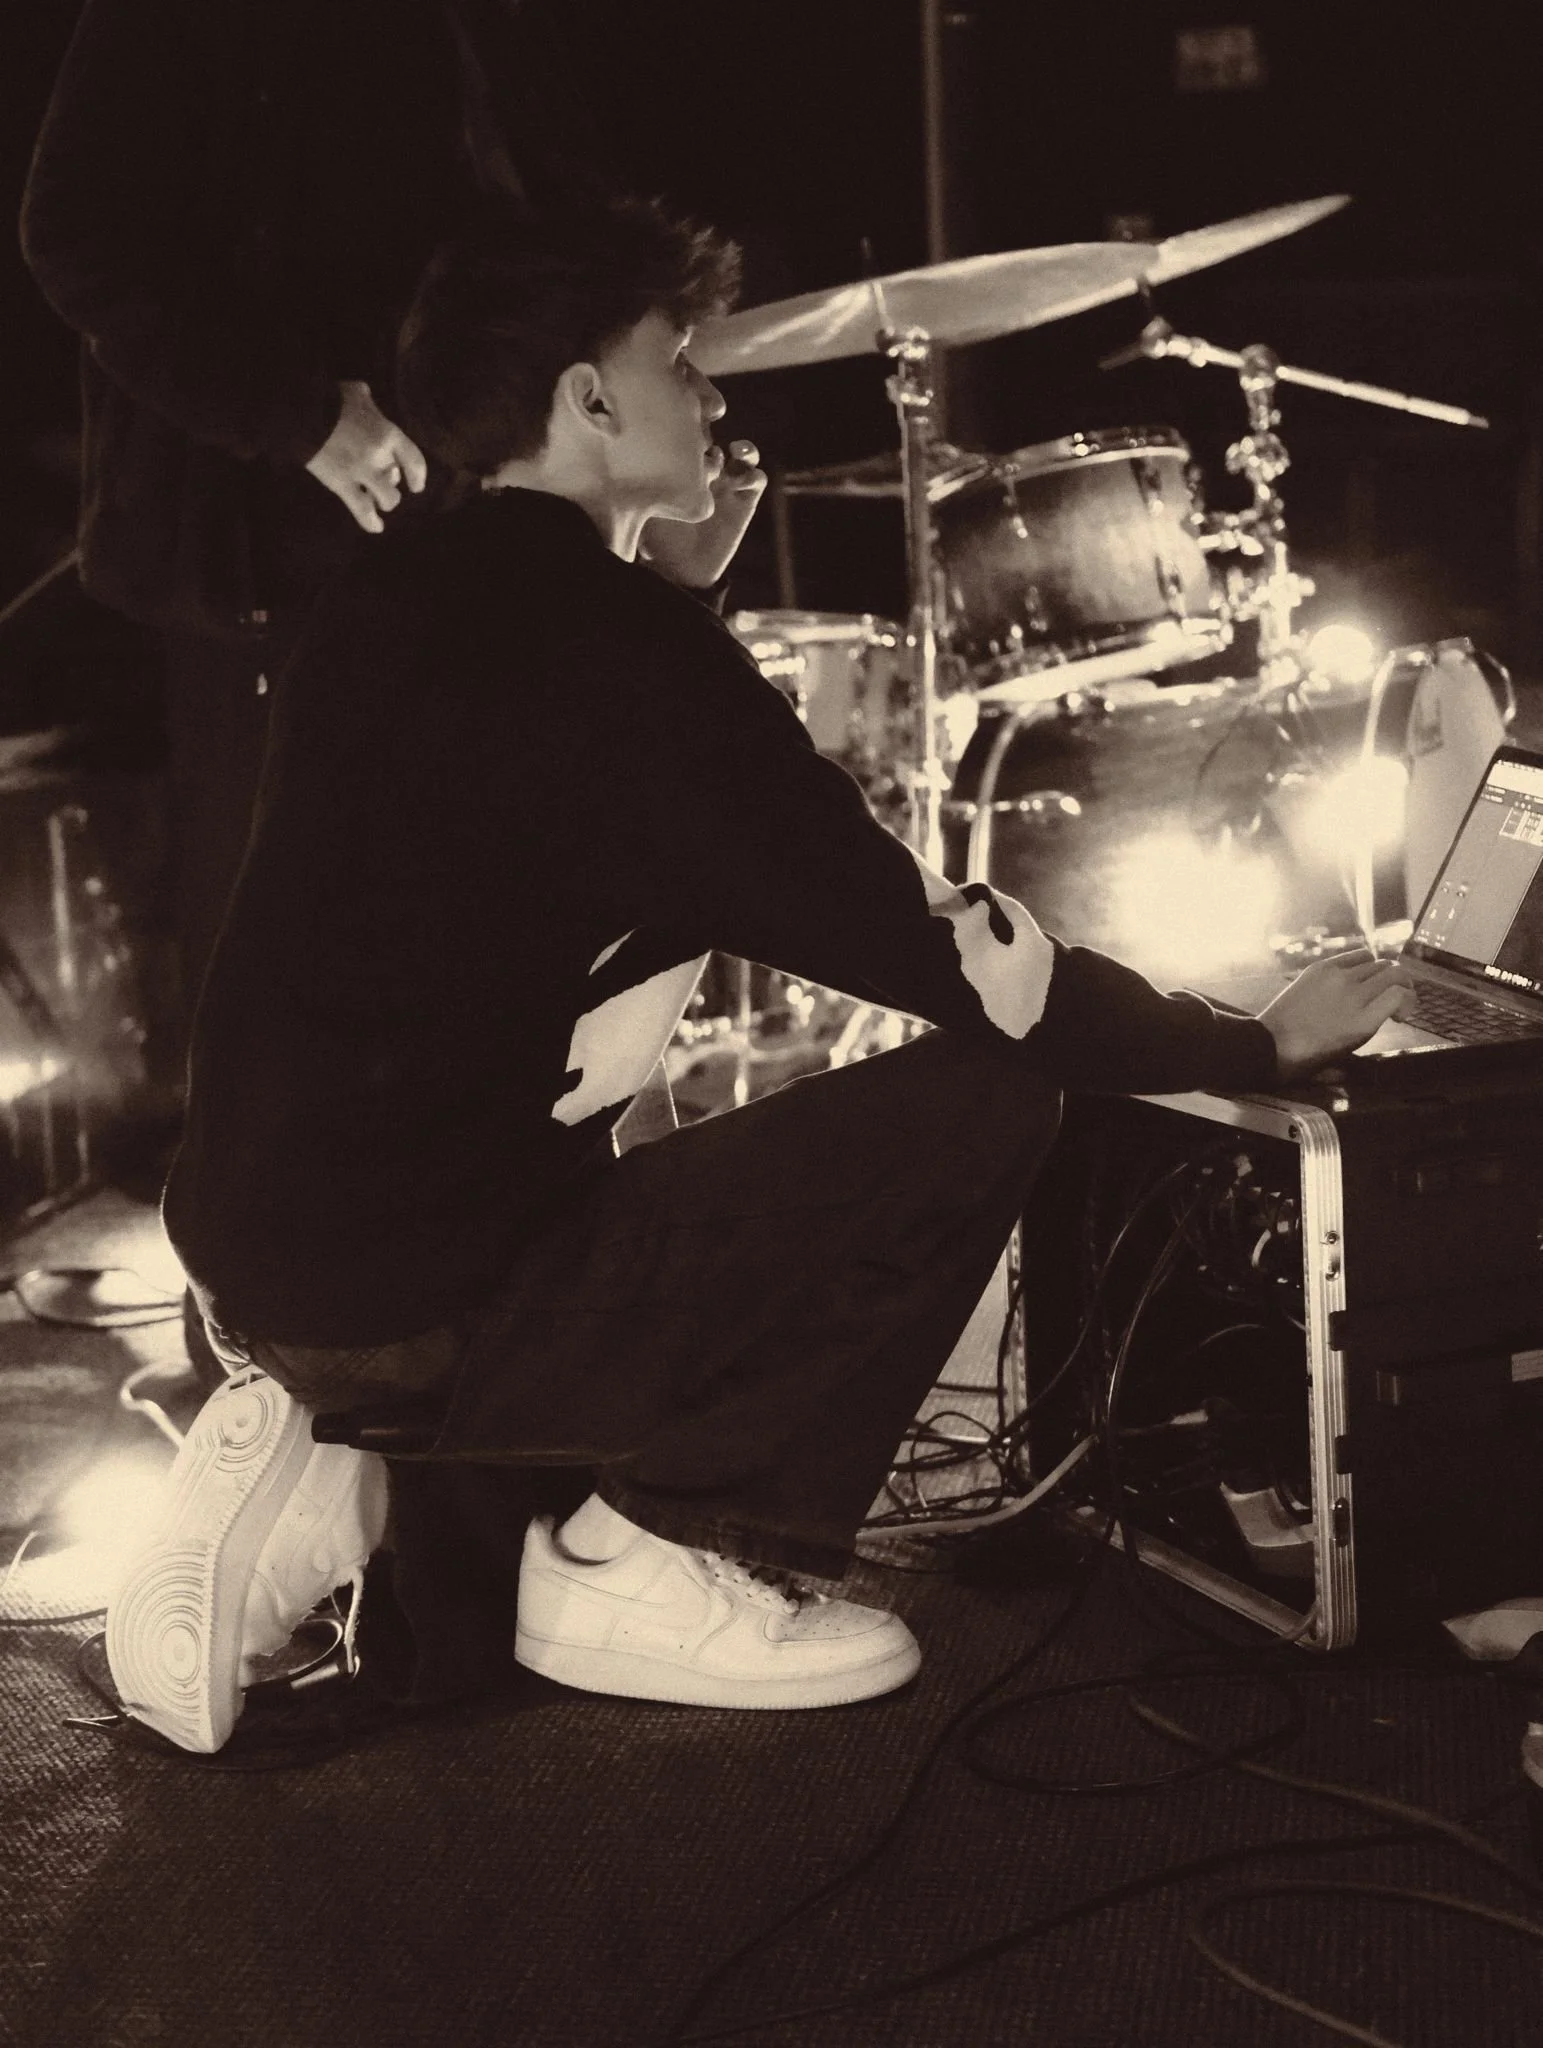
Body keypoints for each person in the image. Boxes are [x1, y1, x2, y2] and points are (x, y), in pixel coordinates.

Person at [103, 195, 1413, 1753]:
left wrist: (673, 601)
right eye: (675, 362)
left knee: (560, 1134)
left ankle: (345, 1463)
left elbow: (536, 785)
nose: (709, 395)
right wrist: (1245, 1043)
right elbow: (959, 961)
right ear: (589, 402)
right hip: (420, 1299)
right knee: (983, 1100)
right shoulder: (635, 666)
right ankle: (642, 1551)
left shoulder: (378, 595)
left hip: (251, 1257)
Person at [17, 0, 651, 1022]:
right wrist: (301, 417)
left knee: (475, 966)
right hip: (286, 557)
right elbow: (77, 232)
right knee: (302, 996)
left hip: (470, 533)